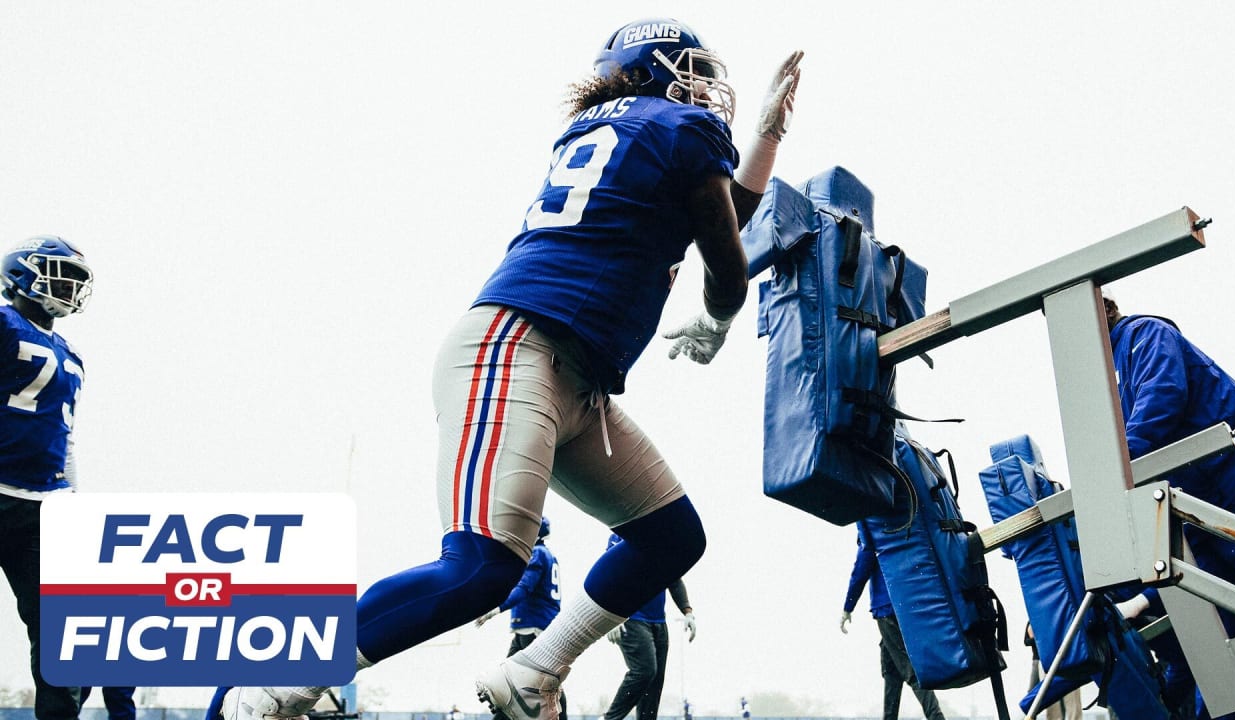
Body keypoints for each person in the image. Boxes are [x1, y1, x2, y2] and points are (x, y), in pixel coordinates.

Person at [212, 17, 803, 720]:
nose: (707, 87)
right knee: (480, 568)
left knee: (671, 536)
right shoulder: (677, 130)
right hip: (516, 348)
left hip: (571, 377)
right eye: (692, 68)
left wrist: (765, 140)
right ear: (651, 68)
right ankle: (278, 682)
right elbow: (725, 256)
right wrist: (718, 315)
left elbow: (719, 213)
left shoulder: (636, 133)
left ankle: (534, 672)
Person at [1104, 287, 1235, 720]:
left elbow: (1162, 395)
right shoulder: (1117, 377)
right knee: (1225, 640)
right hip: (1210, 514)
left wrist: (1111, 470)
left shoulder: (1143, 334)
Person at [0, 235, 93, 720]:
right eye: (61, 273)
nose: (69, 285)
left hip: (44, 505)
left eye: (76, 279)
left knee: (60, 632)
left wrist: (72, 500)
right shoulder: (3, 322)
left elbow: (64, 436)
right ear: (22, 273)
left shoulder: (73, 355)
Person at [840, 528, 945, 720]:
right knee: (891, 669)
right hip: (906, 603)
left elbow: (862, 564)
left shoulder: (867, 522)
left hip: (886, 608)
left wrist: (848, 606)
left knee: (908, 668)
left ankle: (936, 717)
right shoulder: (898, 521)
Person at [474, 517, 566, 720]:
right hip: (537, 626)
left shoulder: (538, 554)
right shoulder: (547, 555)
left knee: (537, 686)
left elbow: (523, 589)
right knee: (513, 683)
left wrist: (496, 609)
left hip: (533, 628)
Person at [600, 532, 696, 720]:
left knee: (654, 685)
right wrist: (609, 616)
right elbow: (608, 576)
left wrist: (688, 611)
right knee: (644, 671)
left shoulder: (663, 537)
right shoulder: (621, 535)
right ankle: (609, 718)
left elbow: (674, 580)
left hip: (658, 621)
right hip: (630, 616)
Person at [1022, 623, 1083, 720]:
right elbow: (1029, 639)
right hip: (1047, 660)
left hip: (1066, 658)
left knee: (1071, 703)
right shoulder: (1034, 619)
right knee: (1054, 705)